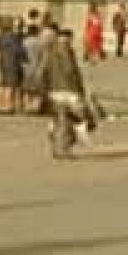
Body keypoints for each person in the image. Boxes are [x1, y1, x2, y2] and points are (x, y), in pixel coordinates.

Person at [40, 27, 87, 159]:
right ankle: (64, 149)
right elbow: (70, 71)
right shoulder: (66, 51)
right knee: (68, 121)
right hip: (67, 91)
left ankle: (56, 147)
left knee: (57, 120)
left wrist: (45, 88)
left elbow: (43, 71)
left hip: (53, 90)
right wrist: (79, 90)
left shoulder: (50, 51)